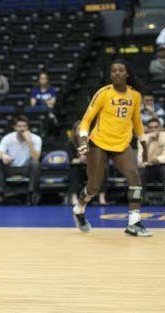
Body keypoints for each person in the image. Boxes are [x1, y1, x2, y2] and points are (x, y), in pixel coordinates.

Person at [73, 60, 151, 236]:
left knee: (135, 178)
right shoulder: (103, 93)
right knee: (93, 187)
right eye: (113, 71)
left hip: (122, 144)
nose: (116, 73)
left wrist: (144, 146)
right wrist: (84, 140)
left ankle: (134, 222)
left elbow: (137, 122)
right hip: (99, 143)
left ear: (127, 74)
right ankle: (79, 208)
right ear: (110, 75)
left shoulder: (135, 96)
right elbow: (86, 119)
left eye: (120, 70)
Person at [0, 115, 42, 205]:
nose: (22, 129)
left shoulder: (36, 139)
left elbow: (35, 158)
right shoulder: (8, 138)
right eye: (19, 126)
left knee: (36, 164)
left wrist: (29, 142)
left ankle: (31, 193)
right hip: (11, 167)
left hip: (26, 168)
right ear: (15, 127)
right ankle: (1, 192)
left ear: (27, 127)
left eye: (24, 126)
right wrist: (3, 155)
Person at [67, 121, 107, 206]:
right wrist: (80, 159)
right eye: (79, 129)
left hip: (91, 167)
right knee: (74, 169)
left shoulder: (92, 141)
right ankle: (74, 197)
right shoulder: (71, 143)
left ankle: (102, 196)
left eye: (82, 129)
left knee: (103, 168)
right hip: (79, 168)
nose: (81, 131)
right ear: (75, 131)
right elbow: (72, 160)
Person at [137, 118, 165, 199]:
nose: (153, 129)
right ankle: (140, 198)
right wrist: (148, 142)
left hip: (161, 165)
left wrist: (155, 160)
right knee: (139, 171)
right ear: (147, 129)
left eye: (156, 127)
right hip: (147, 167)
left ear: (160, 128)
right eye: (151, 127)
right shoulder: (142, 138)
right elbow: (140, 159)